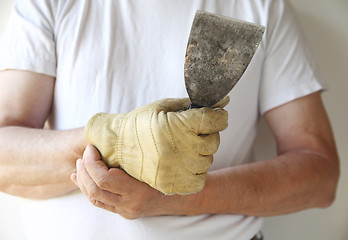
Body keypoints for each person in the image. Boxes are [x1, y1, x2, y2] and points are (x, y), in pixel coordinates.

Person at [0, 0, 339, 239]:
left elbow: (320, 178)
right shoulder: (48, 3)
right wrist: (117, 141)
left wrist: (176, 198)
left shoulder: (263, 7)